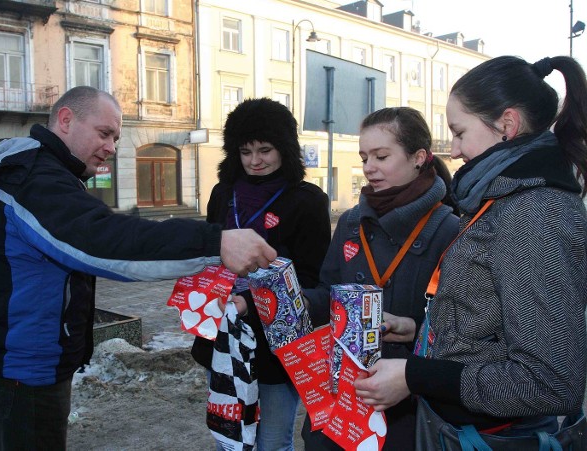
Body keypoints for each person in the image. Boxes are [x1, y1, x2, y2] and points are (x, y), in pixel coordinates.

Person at [0, 86, 277, 450]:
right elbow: (107, 242)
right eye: (104, 133)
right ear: (65, 120)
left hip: (32, 364)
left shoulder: (47, 174)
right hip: (21, 370)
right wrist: (215, 242)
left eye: (116, 138)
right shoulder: (34, 179)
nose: (111, 147)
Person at [354, 56, 587, 446]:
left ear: (507, 126)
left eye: (459, 133)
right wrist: (427, 333)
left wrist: (415, 376)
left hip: (493, 435)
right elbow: (495, 319)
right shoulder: (502, 198)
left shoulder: (534, 211)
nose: (455, 149)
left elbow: (550, 381)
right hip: (462, 428)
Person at [300, 107, 459, 449]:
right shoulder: (351, 222)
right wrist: (278, 301)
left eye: (381, 156)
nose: (368, 167)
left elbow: (462, 327)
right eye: (364, 156)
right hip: (342, 392)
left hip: (408, 401)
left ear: (418, 157)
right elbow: (329, 294)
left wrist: (413, 327)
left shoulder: (450, 228)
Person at [191, 97, 331, 451]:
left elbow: (311, 280)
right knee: (230, 437)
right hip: (225, 334)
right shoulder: (224, 194)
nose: (255, 161)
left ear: (284, 148)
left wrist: (248, 303)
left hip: (276, 341)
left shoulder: (307, 200)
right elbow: (210, 255)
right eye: (246, 151)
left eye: (265, 150)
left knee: (271, 442)